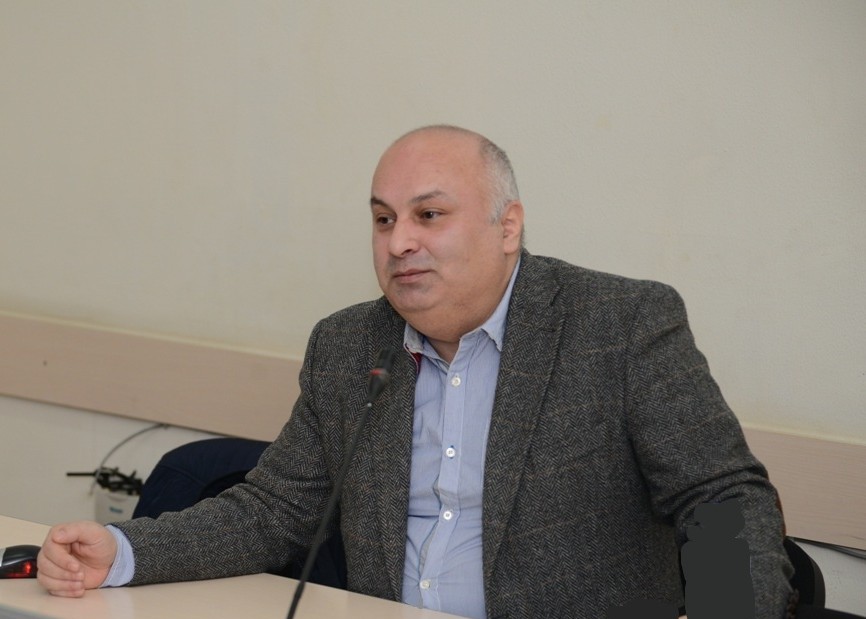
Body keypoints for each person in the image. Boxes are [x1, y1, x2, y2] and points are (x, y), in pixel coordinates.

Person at [37, 125, 794, 618]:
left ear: (507, 226)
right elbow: (271, 511)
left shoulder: (617, 325)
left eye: (429, 215)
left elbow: (721, 497)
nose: (399, 242)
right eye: (382, 219)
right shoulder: (348, 345)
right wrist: (126, 552)